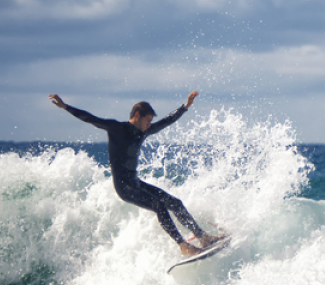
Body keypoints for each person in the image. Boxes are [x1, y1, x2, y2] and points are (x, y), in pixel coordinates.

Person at [48, 91, 223, 256]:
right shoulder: (116, 129)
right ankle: (183, 245)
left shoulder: (142, 132)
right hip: (124, 188)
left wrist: (185, 107)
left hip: (136, 183)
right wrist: (65, 107)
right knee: (159, 206)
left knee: (175, 203)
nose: (149, 125)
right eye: (147, 120)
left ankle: (203, 237)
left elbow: (166, 121)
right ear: (137, 115)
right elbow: (90, 118)